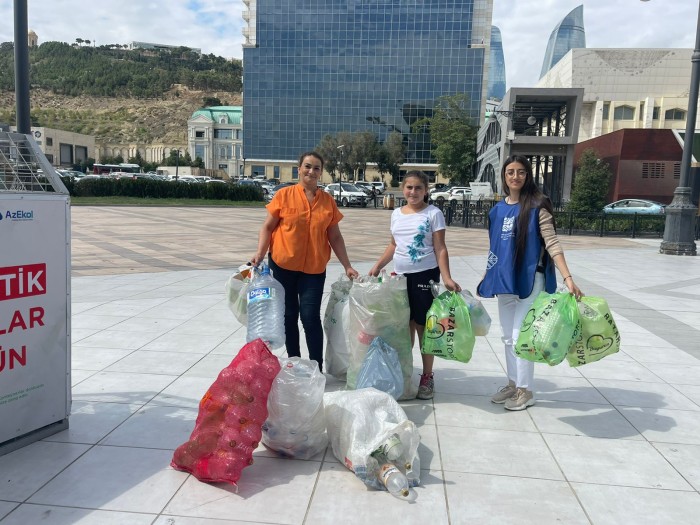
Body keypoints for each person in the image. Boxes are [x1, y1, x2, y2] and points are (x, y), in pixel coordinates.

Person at [477, 155, 583, 411]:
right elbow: (496, 249)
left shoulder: (537, 206)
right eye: (511, 172)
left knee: (520, 336)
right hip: (505, 281)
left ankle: (527, 390)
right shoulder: (497, 210)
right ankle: (513, 383)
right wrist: (489, 276)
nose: (516, 176)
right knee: (506, 337)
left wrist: (568, 277)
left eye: (521, 172)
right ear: (504, 176)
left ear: (528, 176)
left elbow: (552, 243)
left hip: (529, 280)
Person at [251, 152, 359, 371]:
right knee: (289, 316)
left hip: (314, 269)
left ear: (321, 172)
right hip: (283, 267)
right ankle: (295, 364)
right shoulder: (284, 195)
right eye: (307, 166)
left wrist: (347, 265)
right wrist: (260, 253)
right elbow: (268, 227)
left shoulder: (327, 201)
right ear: (299, 168)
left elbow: (335, 236)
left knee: (310, 317)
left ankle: (316, 368)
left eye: (317, 168)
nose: (312, 171)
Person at [369, 170, 461, 400]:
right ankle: (405, 372)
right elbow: (393, 245)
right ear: (403, 190)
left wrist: (447, 277)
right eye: (409, 187)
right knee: (402, 328)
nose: (413, 192)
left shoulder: (433, 214)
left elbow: (440, 248)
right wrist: (378, 264)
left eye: (418, 188)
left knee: (423, 327)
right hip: (399, 277)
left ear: (426, 190)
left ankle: (427, 376)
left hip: (424, 276)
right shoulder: (397, 214)